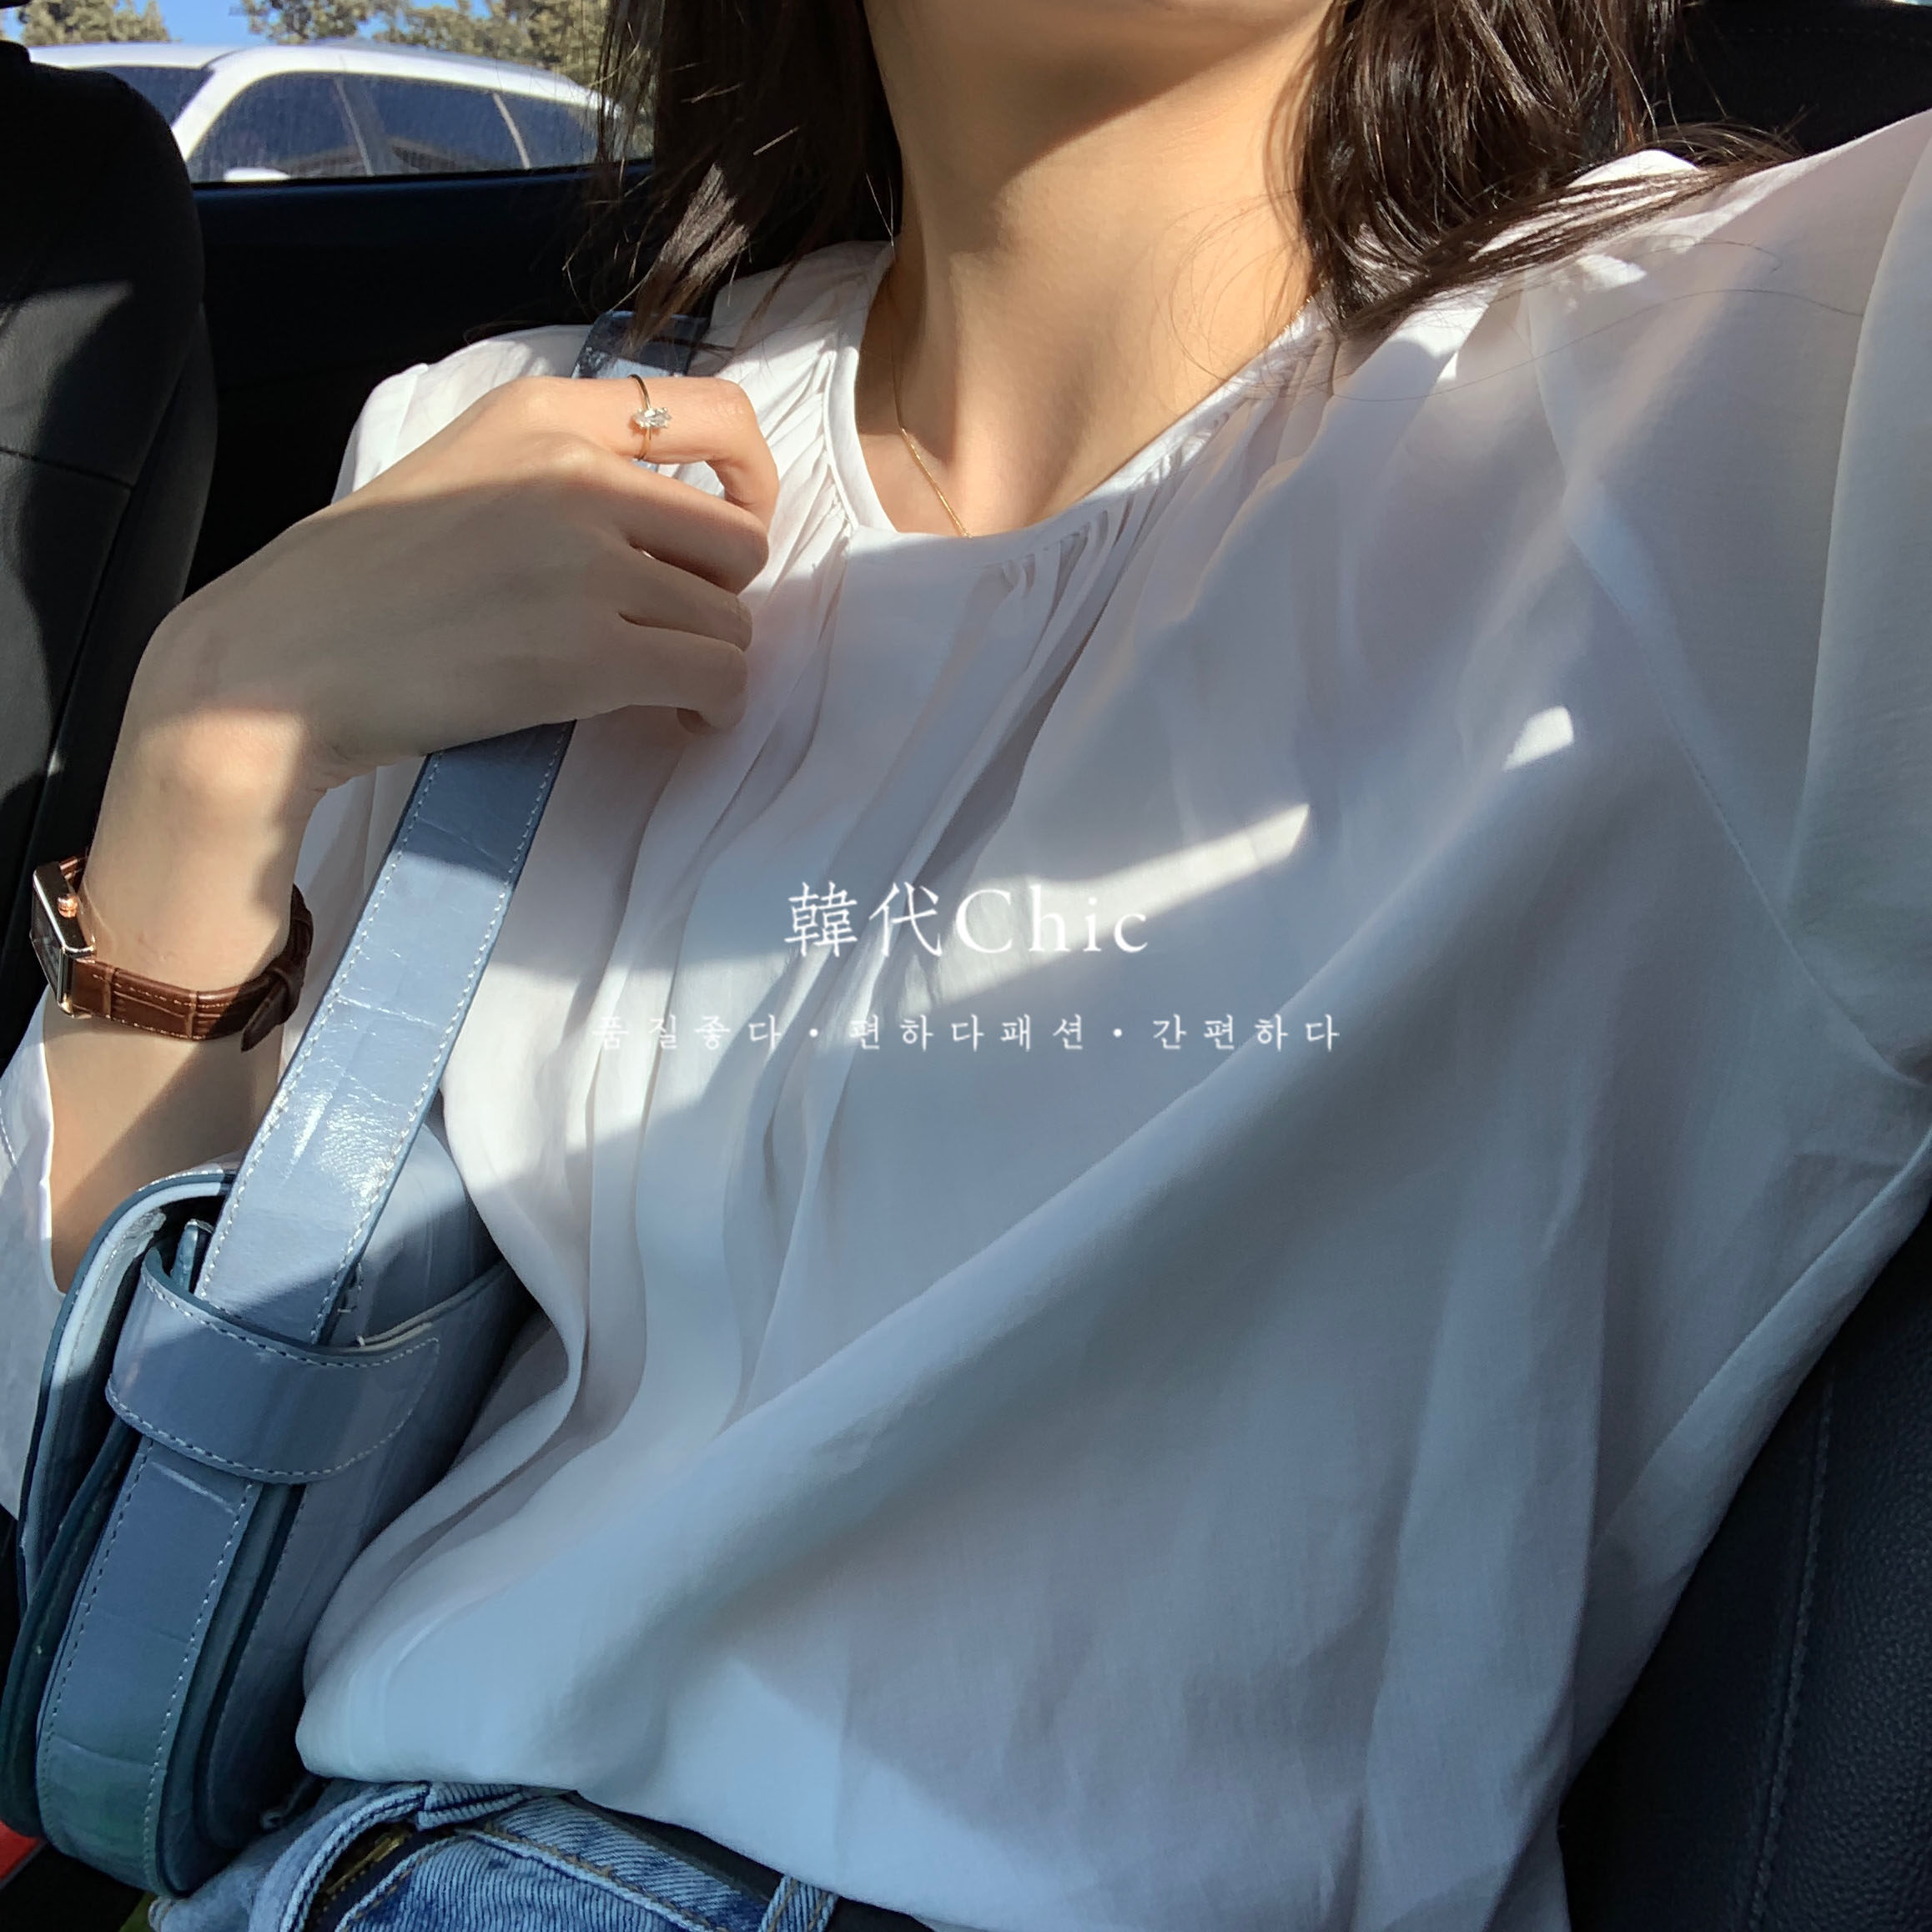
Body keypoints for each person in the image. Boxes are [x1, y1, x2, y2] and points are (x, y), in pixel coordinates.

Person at [2, 0, 1929, 1922]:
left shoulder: (1784, 379)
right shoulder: (496, 450)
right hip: (311, 1860)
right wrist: (203, 753)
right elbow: (79, 1500)